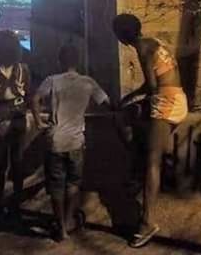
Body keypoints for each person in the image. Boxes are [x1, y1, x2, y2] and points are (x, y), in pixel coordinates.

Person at [112, 13, 188, 248]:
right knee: (131, 121)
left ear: (121, 36)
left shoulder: (142, 50)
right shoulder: (152, 42)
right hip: (177, 98)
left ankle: (147, 222)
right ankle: (138, 176)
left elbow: (153, 87)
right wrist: (133, 97)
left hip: (166, 102)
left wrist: (136, 101)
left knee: (151, 163)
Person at [31, 44, 110, 242]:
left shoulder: (52, 80)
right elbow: (107, 103)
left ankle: (61, 228)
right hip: (76, 141)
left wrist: (40, 122)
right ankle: (67, 222)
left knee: (56, 185)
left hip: (55, 140)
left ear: (60, 61)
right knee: (73, 184)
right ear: (78, 61)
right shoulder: (88, 82)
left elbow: (35, 99)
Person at [0, 30, 31, 217]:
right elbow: (28, 92)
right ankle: (17, 200)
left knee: (0, 164)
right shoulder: (23, 69)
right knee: (18, 161)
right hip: (18, 116)